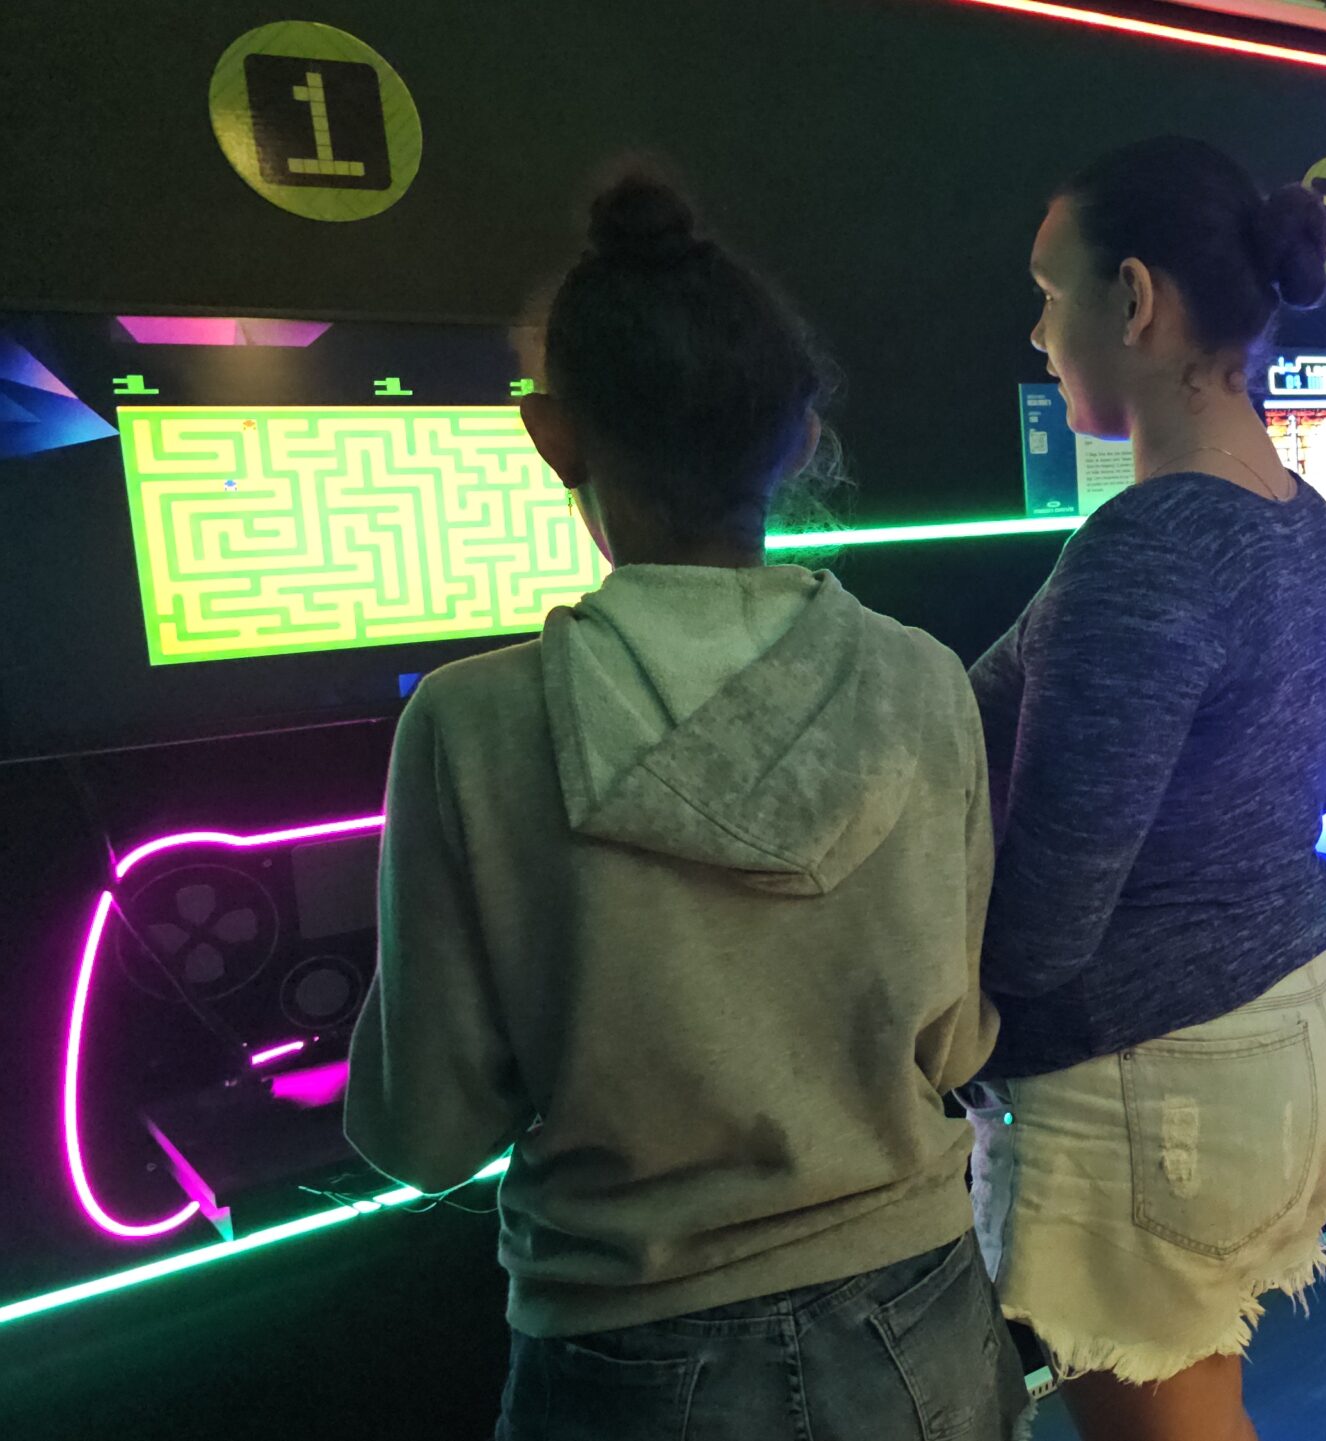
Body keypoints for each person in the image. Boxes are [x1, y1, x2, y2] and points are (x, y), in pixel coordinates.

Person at [344, 172, 1024, 1439]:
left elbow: (422, 1131)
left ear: (552, 435)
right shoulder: (925, 680)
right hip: (922, 1317)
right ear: (801, 438)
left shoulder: (468, 722)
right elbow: (956, 1044)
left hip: (628, 1349)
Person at [967, 136, 1326, 1441]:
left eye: (1051, 295)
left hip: (1157, 1088)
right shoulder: (1310, 523)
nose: (1040, 334)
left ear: (1135, 299)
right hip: (1296, 1031)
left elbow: (1042, 932)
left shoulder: (1145, 550)